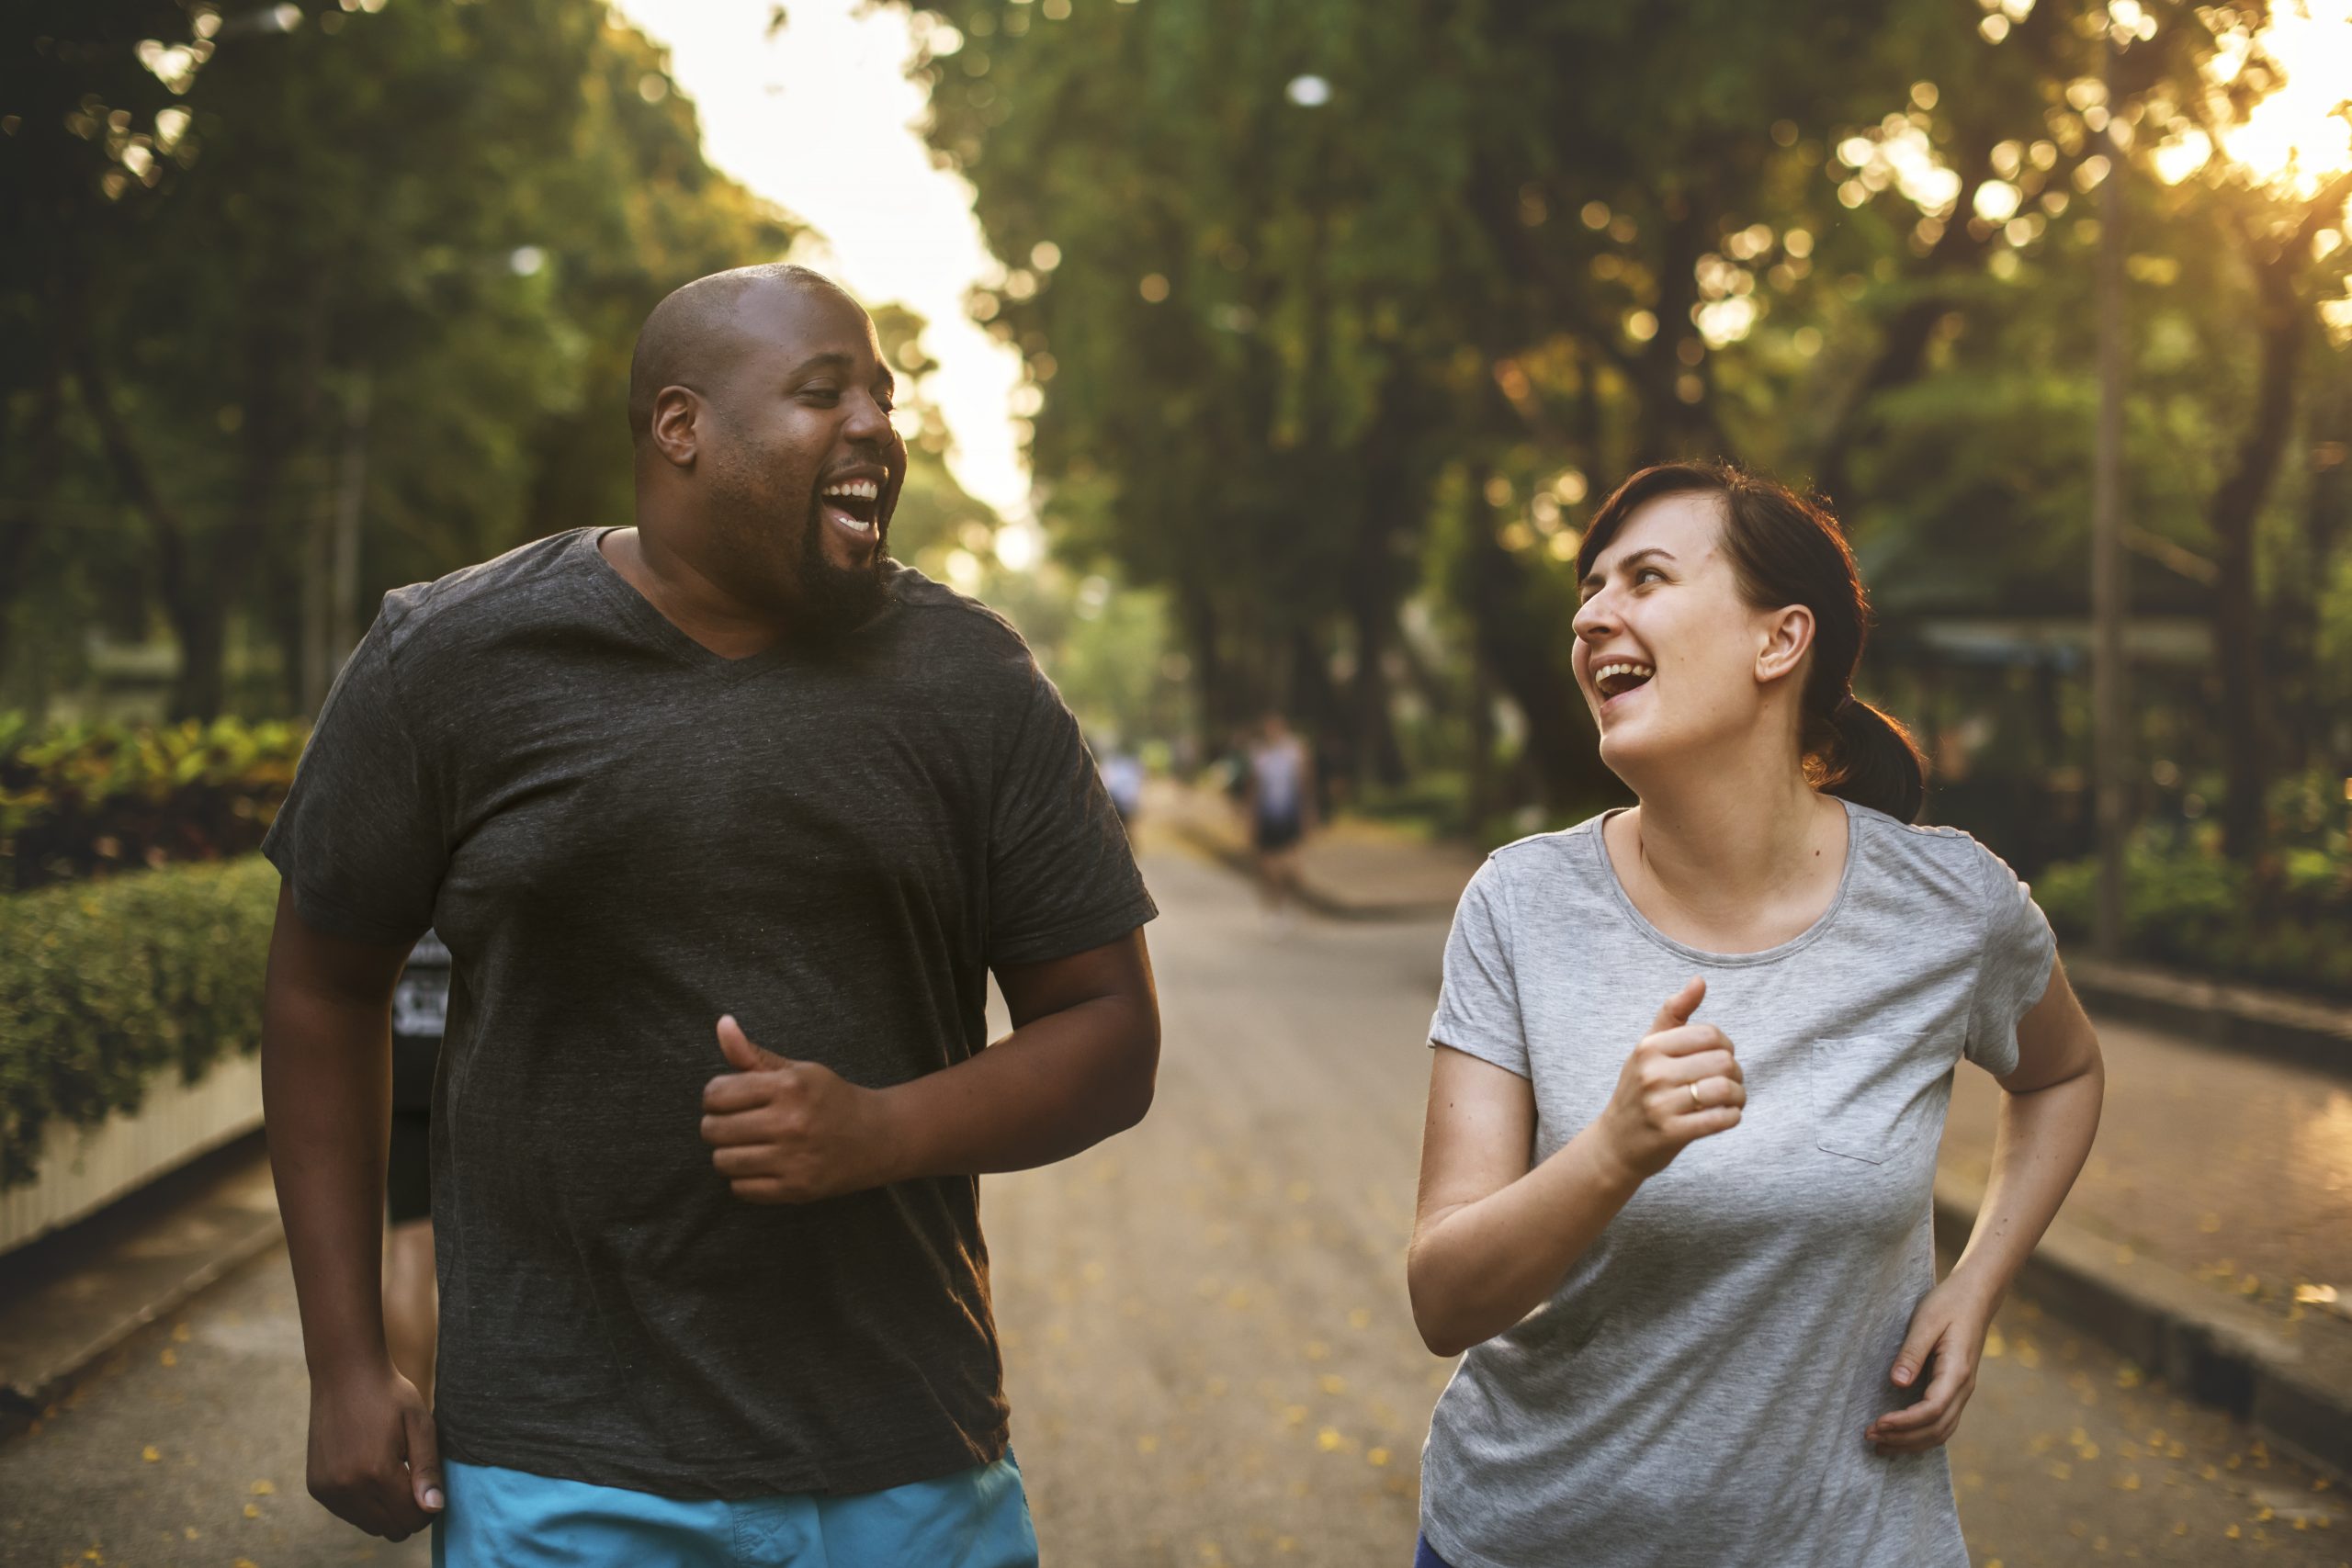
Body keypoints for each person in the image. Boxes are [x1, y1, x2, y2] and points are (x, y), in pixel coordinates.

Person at [259, 263, 1161, 1563]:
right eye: (820, 392)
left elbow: (1111, 1028)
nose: (873, 425)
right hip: (561, 1477)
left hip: (903, 1467)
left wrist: (881, 1126)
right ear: (681, 427)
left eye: (881, 395)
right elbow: (321, 987)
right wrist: (344, 1361)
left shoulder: (974, 681)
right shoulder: (449, 659)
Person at [1405, 461, 2103, 1568]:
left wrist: (1976, 1286)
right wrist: (1613, 1152)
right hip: (1532, 1539)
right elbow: (1442, 1297)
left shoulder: (1948, 906)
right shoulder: (1520, 904)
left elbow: (2061, 1076)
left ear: (1779, 642)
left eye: (1644, 578)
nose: (1592, 616)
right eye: (1588, 590)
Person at [382, 930, 448, 1406]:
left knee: (410, 1251)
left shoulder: (397, 862)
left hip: (399, 1075)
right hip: (473, 1075)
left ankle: (414, 1419)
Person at [1244, 712, 1315, 920]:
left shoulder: (1296, 752)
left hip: (1289, 815)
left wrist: (1308, 813)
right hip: (1267, 817)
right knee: (1267, 866)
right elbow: (1253, 790)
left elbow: (1306, 786)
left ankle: (1289, 900)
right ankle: (1274, 905)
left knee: (1291, 864)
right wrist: (1251, 818)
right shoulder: (1260, 756)